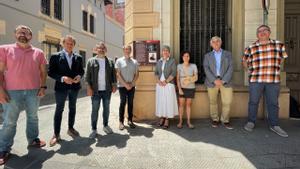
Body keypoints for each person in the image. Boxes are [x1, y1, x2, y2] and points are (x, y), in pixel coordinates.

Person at [0, 25, 47, 165]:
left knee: (33, 117)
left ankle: (32, 139)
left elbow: (43, 71)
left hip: (33, 91)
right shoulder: (4, 49)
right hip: (11, 92)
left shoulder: (38, 52)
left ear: (30, 36)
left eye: (26, 33)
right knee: (9, 122)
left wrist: (43, 86)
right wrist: (0, 90)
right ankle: (3, 149)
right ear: (15, 34)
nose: (23, 35)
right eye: (20, 32)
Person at [242, 25, 288, 137]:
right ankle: (251, 122)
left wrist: (273, 68)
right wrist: (249, 71)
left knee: (273, 103)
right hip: (256, 80)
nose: (262, 33)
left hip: (273, 80)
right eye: (259, 31)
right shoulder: (251, 47)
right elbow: (244, 61)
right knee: (253, 102)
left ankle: (274, 125)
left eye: (264, 30)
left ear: (269, 32)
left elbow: (282, 59)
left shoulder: (279, 45)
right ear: (257, 34)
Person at [48, 35, 85, 146]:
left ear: (74, 45)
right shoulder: (55, 56)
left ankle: (70, 128)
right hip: (61, 88)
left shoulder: (78, 57)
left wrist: (79, 76)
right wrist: (62, 78)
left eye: (71, 43)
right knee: (59, 109)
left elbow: (81, 71)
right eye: (67, 43)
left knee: (72, 108)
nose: (69, 45)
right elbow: (51, 72)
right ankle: (56, 134)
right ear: (63, 44)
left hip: (74, 88)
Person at [85, 42, 117, 138]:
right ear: (96, 49)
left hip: (107, 90)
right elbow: (87, 76)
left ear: (105, 50)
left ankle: (105, 126)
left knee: (106, 109)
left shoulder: (110, 61)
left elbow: (113, 75)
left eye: (103, 48)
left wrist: (114, 85)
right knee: (95, 110)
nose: (101, 49)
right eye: (99, 48)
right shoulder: (91, 61)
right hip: (95, 91)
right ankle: (94, 129)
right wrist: (89, 88)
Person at [203, 36, 234, 129]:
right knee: (213, 102)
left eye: (217, 41)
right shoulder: (207, 56)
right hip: (212, 82)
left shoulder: (228, 54)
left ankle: (225, 120)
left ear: (221, 43)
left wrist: (223, 80)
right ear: (211, 44)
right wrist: (214, 80)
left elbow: (231, 67)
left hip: (226, 81)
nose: (216, 43)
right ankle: (215, 119)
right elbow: (206, 68)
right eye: (213, 42)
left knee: (227, 102)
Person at [115, 45, 139, 130]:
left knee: (130, 103)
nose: (127, 51)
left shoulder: (135, 62)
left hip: (132, 86)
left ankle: (130, 120)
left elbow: (137, 74)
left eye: (129, 49)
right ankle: (121, 122)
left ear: (131, 50)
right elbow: (118, 74)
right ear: (123, 50)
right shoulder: (119, 61)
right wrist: (125, 84)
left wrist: (132, 84)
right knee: (123, 103)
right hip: (122, 86)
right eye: (125, 49)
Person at [155, 45, 178, 129]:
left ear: (169, 53)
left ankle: (167, 119)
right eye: (164, 50)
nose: (165, 52)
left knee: (168, 102)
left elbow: (174, 73)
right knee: (161, 102)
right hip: (160, 85)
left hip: (169, 85)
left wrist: (166, 81)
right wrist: (158, 81)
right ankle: (162, 117)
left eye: (167, 51)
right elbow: (156, 72)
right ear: (162, 52)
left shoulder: (172, 61)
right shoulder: (159, 61)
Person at [176, 51, 198, 129]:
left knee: (188, 105)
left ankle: (188, 121)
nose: (186, 57)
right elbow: (178, 79)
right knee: (181, 105)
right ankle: (180, 121)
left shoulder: (193, 66)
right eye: (184, 56)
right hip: (182, 88)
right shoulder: (179, 66)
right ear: (182, 57)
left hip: (191, 88)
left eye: (187, 56)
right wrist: (179, 89)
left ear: (189, 57)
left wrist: (188, 81)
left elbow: (196, 77)